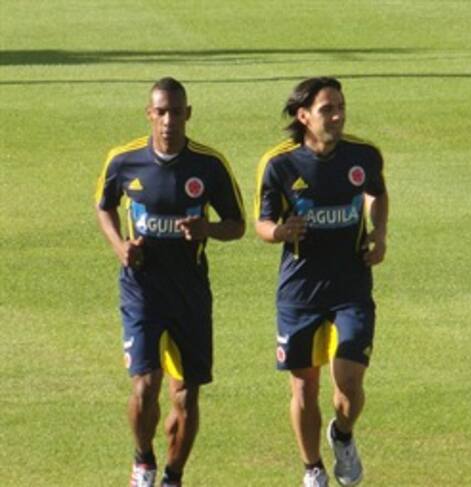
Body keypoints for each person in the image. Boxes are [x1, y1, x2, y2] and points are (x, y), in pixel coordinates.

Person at [95, 77, 245, 487]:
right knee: (145, 386)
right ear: (149, 114)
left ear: (187, 114)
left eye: (176, 112)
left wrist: (206, 229)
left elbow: (237, 225)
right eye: (161, 112)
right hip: (141, 290)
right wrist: (120, 246)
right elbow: (104, 206)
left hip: (190, 293)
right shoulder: (124, 160)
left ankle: (173, 476)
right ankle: (143, 460)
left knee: (186, 395)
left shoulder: (209, 165)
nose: (168, 121)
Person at [254, 77, 389, 487]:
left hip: (351, 288)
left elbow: (376, 194)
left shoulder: (363, 155)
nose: (337, 116)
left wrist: (379, 233)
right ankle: (312, 468)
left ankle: (343, 434)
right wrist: (280, 232)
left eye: (341, 107)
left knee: (348, 383)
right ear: (304, 116)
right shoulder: (279, 164)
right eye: (327, 109)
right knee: (304, 387)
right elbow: (261, 223)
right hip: (299, 293)